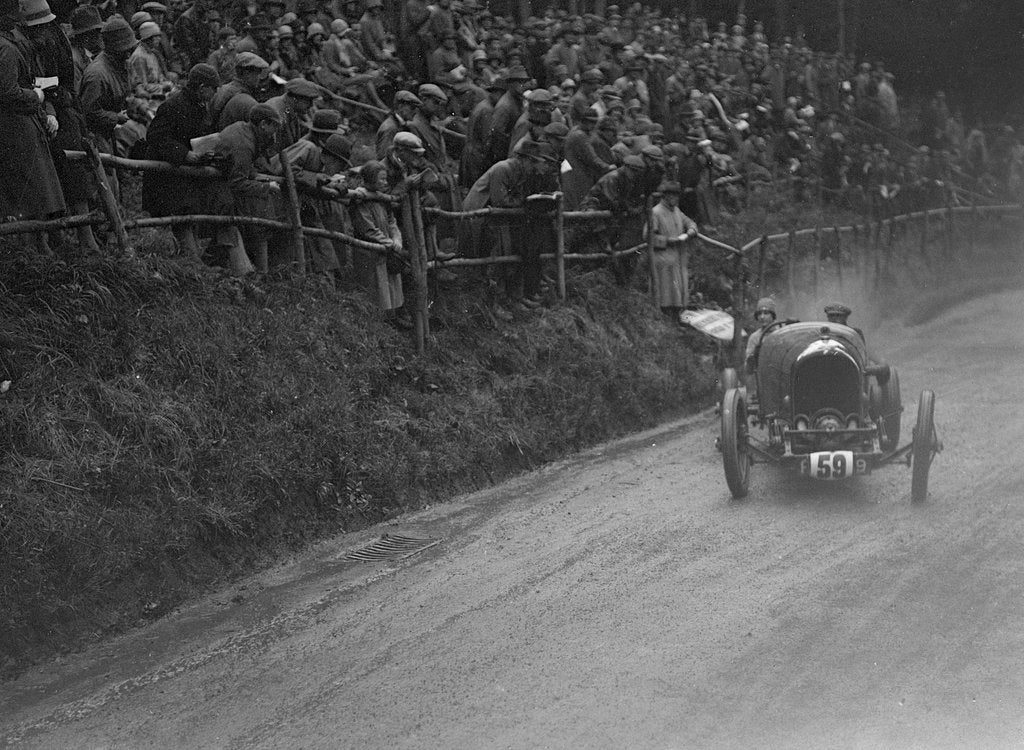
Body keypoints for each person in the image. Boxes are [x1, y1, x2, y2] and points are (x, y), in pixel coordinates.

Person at [0, 0, 65, 253]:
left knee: (37, 196)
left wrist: (46, 109)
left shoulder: (16, 44)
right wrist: (36, 97)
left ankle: (41, 250)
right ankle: (34, 255)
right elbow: (8, 92)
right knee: (32, 196)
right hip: (16, 131)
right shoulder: (7, 48)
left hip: (26, 125)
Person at [142, 62, 221, 261]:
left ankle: (191, 262)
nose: (216, 92)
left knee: (190, 216)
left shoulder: (200, 106)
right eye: (214, 88)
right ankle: (191, 263)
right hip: (169, 175)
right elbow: (156, 137)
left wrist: (205, 152)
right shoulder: (173, 105)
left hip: (185, 173)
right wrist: (185, 154)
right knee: (183, 216)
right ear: (202, 88)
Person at [350, 160, 413, 330]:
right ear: (370, 180)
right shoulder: (360, 197)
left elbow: (391, 221)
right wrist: (388, 243)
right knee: (376, 286)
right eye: (381, 180)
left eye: (386, 179)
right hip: (370, 250)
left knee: (390, 283)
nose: (385, 183)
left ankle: (391, 318)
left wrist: (396, 239)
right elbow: (367, 228)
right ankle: (376, 323)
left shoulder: (382, 197)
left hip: (387, 247)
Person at [645, 181, 697, 321]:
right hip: (662, 257)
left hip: (677, 257)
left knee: (678, 289)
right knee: (665, 290)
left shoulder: (676, 211)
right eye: (671, 195)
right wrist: (668, 240)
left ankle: (676, 315)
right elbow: (648, 237)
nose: (674, 198)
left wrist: (691, 231)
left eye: (676, 195)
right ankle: (663, 316)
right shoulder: (656, 212)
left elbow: (690, 222)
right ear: (664, 196)